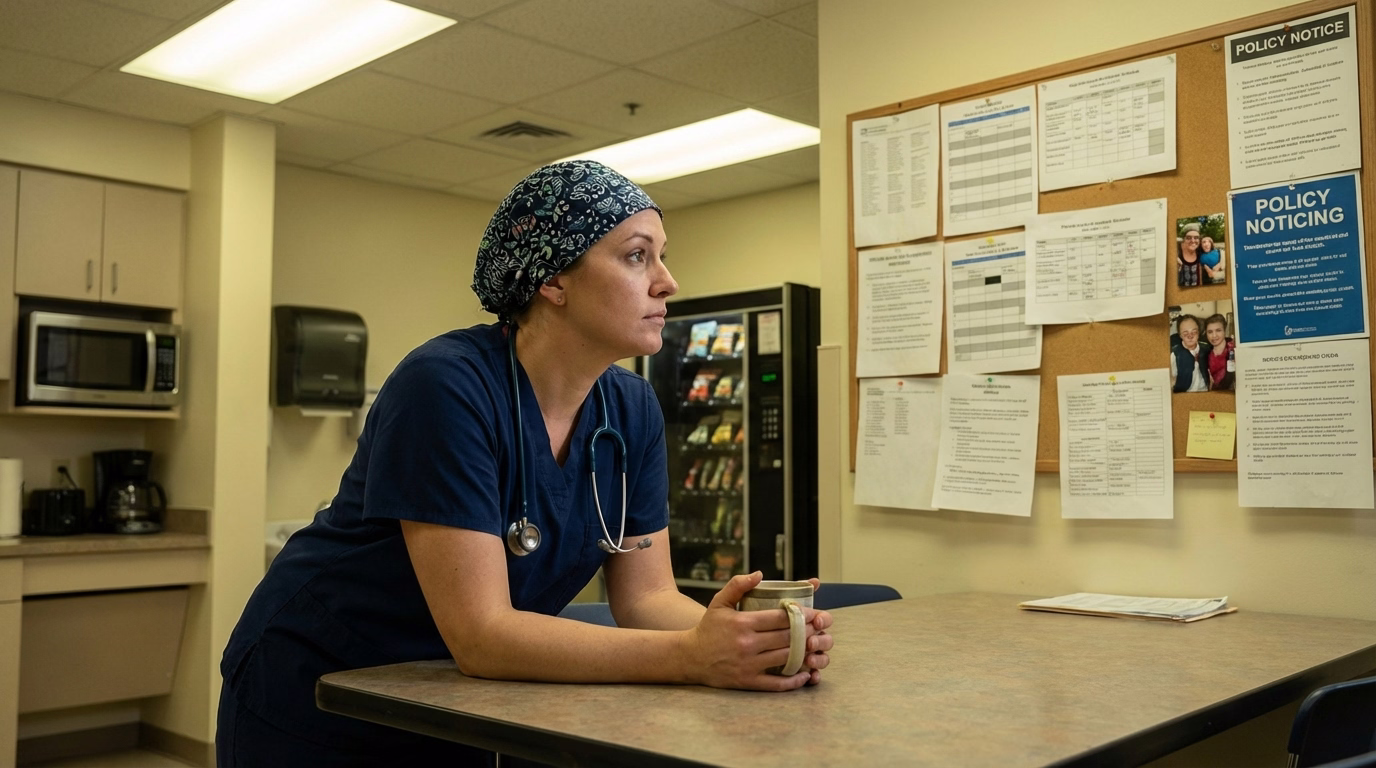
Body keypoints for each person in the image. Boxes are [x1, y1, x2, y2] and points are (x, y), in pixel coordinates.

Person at [216, 161, 834, 767]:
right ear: (553, 281)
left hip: (455, 698)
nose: (667, 282)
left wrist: (742, 641)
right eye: (637, 255)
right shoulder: (446, 385)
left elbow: (647, 599)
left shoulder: (631, 407)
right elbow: (483, 633)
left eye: (662, 256)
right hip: (319, 685)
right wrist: (691, 658)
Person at [1170, 314, 1210, 392]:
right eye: (1185, 334)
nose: (1190, 336)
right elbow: (1170, 381)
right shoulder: (1175, 354)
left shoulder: (1206, 349)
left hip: (1205, 393)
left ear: (1199, 333)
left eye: (1194, 332)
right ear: (1180, 335)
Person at [1204, 313, 1235, 390]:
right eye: (1210, 332)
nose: (1214, 336)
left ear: (1224, 330)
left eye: (1218, 330)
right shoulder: (1205, 352)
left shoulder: (1234, 349)